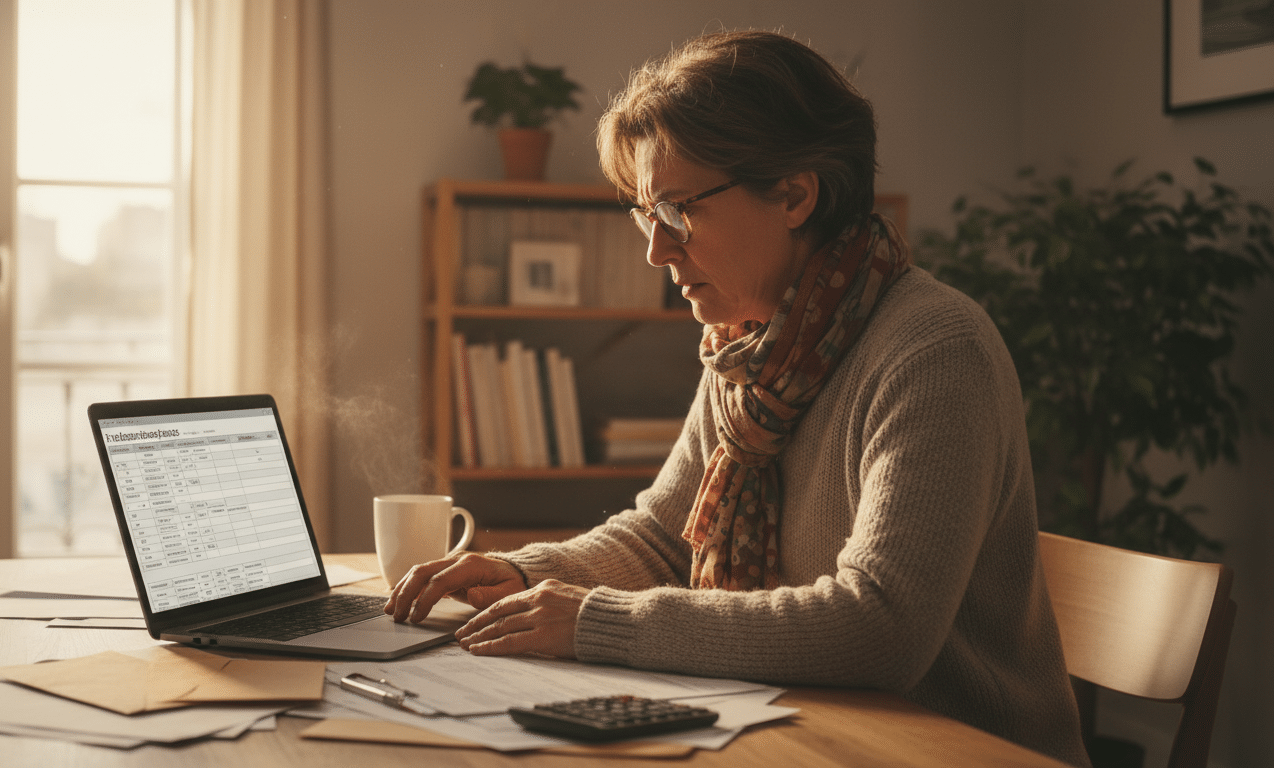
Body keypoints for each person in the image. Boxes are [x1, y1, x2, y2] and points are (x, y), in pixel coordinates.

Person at [387, 30, 1090, 768]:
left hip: (952, 750)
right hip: (803, 728)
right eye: (645, 215)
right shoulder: (750, 347)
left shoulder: (935, 350)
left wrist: (596, 623)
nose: (657, 250)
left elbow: (881, 628)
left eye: (678, 212)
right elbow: (664, 538)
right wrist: (529, 572)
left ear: (793, 193)